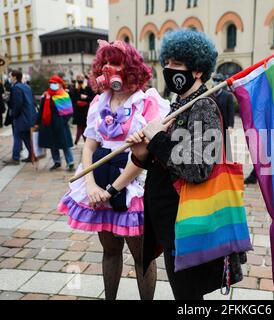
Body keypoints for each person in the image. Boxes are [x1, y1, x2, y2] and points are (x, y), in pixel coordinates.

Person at [128, 29, 245, 300]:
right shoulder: (179, 104)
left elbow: (196, 168)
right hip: (170, 221)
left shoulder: (203, 106)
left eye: (176, 64)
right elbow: (168, 161)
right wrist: (141, 154)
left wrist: (157, 138)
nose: (168, 69)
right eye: (166, 62)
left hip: (187, 222)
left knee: (187, 295)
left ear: (197, 70)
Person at [58, 40, 169, 300]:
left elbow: (143, 156)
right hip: (100, 184)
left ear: (130, 68)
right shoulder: (99, 102)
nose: (108, 68)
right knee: (109, 251)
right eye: (105, 63)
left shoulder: (148, 103)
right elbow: (88, 147)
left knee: (142, 256)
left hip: (132, 188)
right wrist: (91, 186)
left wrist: (111, 190)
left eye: (116, 63)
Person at [36, 75, 76, 171]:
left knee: (65, 144)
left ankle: (70, 163)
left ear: (60, 84)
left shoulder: (64, 95)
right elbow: (41, 110)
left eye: (55, 83)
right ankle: (56, 162)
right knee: (52, 144)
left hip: (61, 124)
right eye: (51, 83)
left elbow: (69, 111)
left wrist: (64, 121)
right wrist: (37, 122)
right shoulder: (46, 95)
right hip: (49, 124)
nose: (53, 85)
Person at [3, 70, 37, 165]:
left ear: (14, 77)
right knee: (26, 137)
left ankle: (15, 158)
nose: (10, 78)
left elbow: (18, 104)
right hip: (29, 116)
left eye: (10, 76)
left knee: (17, 136)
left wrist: (13, 114)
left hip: (21, 117)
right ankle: (31, 155)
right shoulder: (27, 87)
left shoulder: (16, 88)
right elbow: (33, 101)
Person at [70, 74, 95, 145]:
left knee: (83, 127)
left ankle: (78, 142)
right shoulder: (75, 88)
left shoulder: (87, 88)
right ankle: (79, 142)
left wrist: (86, 98)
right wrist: (78, 101)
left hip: (85, 110)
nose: (80, 81)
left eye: (81, 79)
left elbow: (92, 98)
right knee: (80, 127)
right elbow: (73, 99)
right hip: (78, 110)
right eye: (78, 79)